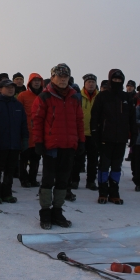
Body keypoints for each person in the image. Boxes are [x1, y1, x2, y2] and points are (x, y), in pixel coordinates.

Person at [32, 63, 85, 230]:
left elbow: (79, 121)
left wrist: (81, 141)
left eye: (65, 77)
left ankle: (57, 211)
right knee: (48, 180)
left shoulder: (75, 97)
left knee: (63, 180)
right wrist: (38, 142)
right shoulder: (44, 96)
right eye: (59, 76)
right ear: (52, 77)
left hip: (68, 145)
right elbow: (37, 121)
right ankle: (45, 212)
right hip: (51, 146)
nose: (63, 79)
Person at [90, 69, 137, 205]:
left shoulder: (127, 97)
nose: (117, 82)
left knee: (116, 167)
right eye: (114, 79)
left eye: (119, 80)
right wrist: (95, 133)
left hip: (121, 138)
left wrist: (134, 134)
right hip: (105, 137)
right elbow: (94, 117)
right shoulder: (102, 96)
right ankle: (103, 192)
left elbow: (132, 118)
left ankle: (114, 193)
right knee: (104, 166)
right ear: (110, 80)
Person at [0, 79, 29, 204]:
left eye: (12, 87)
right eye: (8, 87)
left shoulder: (18, 105)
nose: (11, 89)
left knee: (10, 170)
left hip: (14, 144)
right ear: (1, 89)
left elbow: (23, 124)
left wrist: (25, 139)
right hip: (0, 144)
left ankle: (7, 193)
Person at [16, 73, 44, 188]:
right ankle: (23, 179)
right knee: (24, 158)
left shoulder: (44, 96)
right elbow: (17, 114)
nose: (36, 83)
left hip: (39, 132)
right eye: (34, 81)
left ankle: (33, 178)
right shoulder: (23, 95)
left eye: (38, 81)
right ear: (30, 83)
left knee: (36, 158)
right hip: (26, 132)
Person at [73, 73, 99, 191]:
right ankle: (74, 180)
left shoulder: (100, 97)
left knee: (93, 160)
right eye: (89, 82)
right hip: (80, 133)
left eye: (93, 82)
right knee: (78, 159)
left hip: (94, 134)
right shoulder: (77, 96)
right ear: (84, 84)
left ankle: (91, 181)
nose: (91, 84)